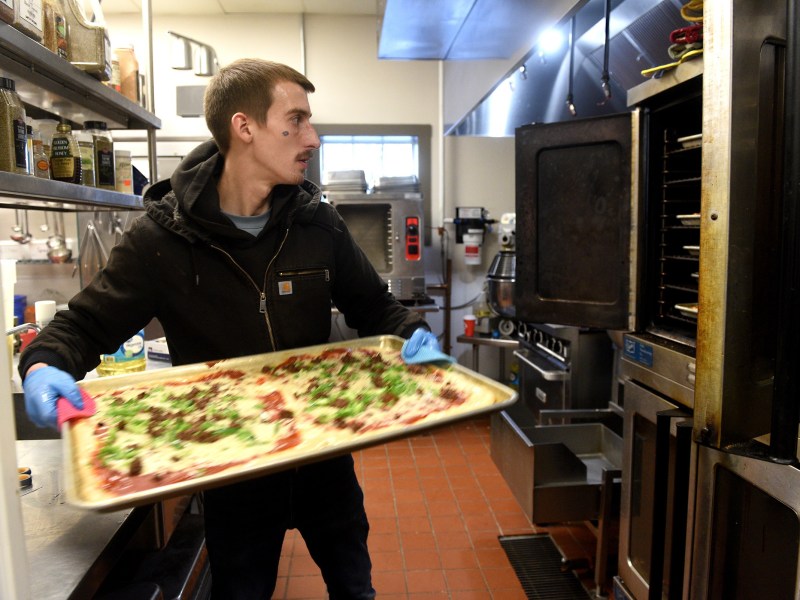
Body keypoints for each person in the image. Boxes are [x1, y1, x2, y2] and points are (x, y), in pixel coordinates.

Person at [19, 58, 443, 599]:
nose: (311, 137)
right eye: (295, 121)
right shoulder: (163, 237)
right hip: (232, 468)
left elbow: (374, 306)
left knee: (354, 591)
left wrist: (412, 331)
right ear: (244, 128)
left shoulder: (316, 222)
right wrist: (42, 365)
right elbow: (84, 324)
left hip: (323, 461)